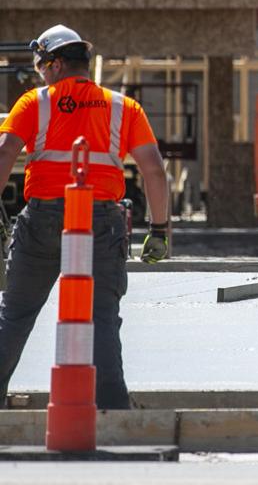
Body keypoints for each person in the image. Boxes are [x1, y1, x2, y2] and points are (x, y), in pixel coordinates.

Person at [0, 25, 169, 409]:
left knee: (15, 316)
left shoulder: (34, 103)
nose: (42, 74)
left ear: (57, 64)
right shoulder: (123, 108)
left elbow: (4, 152)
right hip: (101, 223)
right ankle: (113, 410)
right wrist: (159, 229)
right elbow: (154, 170)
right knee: (102, 320)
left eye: (43, 66)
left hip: (42, 220)